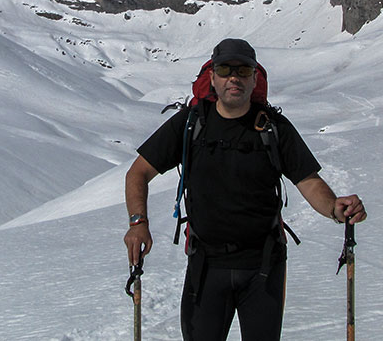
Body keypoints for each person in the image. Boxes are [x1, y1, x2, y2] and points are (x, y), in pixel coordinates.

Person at [123, 38, 366, 340]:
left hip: (263, 266)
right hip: (206, 265)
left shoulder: (273, 128)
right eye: (225, 69)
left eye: (243, 70)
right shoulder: (190, 124)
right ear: (212, 77)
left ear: (255, 78)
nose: (234, 77)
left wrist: (334, 208)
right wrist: (138, 223)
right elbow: (138, 172)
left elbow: (308, 181)